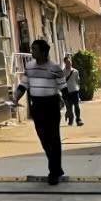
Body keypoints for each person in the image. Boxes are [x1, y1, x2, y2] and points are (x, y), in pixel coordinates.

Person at [14, 38, 67, 185]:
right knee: (44, 138)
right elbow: (23, 85)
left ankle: (54, 172)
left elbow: (64, 89)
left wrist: (70, 110)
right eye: (32, 49)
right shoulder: (29, 67)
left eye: (34, 49)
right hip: (37, 106)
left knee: (54, 138)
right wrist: (15, 98)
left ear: (43, 52)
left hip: (51, 105)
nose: (32, 52)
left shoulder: (55, 68)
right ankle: (56, 167)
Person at [62, 54, 83, 126]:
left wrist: (78, 88)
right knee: (69, 107)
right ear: (65, 63)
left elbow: (77, 80)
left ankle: (78, 120)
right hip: (67, 92)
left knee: (76, 106)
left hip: (74, 91)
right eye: (67, 62)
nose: (69, 63)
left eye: (70, 62)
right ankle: (71, 119)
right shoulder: (63, 72)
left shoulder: (75, 71)